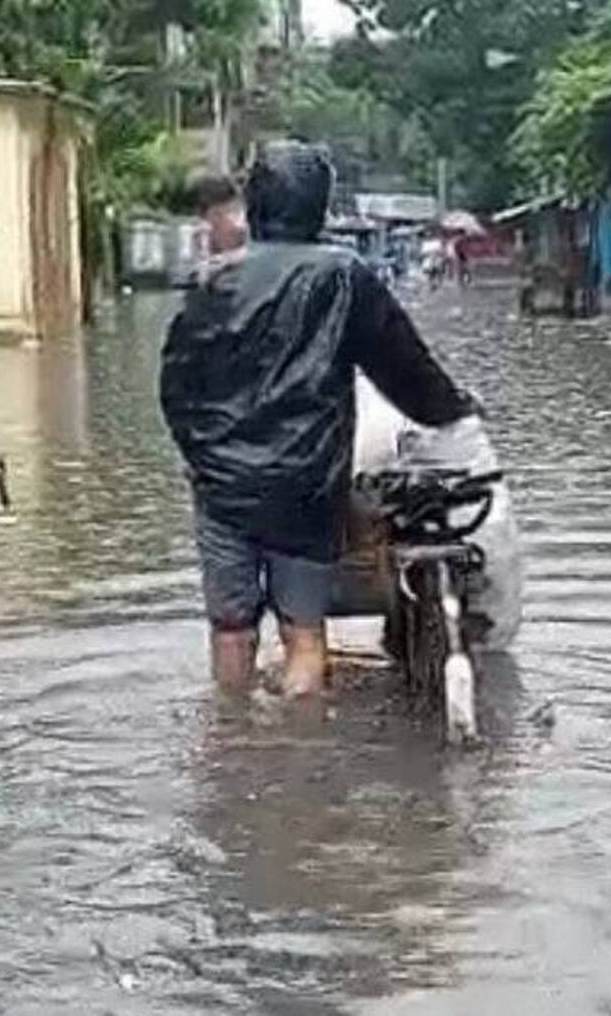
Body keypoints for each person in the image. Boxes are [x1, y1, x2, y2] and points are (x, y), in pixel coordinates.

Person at [159, 142, 477, 698]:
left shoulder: (208, 281)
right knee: (303, 635)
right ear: (319, 207)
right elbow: (404, 368)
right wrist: (453, 410)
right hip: (306, 486)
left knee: (231, 630)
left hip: (222, 488)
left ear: (255, 204)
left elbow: (176, 390)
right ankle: (301, 760)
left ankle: (234, 750)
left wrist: (206, 461)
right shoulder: (344, 275)